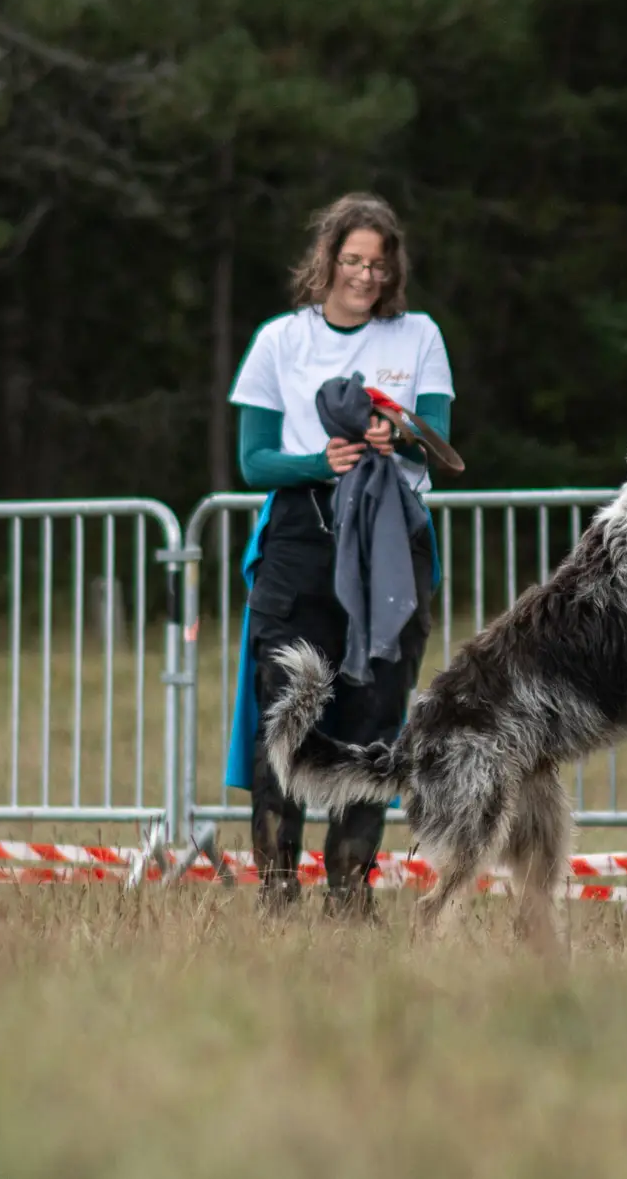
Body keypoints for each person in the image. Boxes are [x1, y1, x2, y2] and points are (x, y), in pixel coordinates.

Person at [222, 192, 454, 915]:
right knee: (286, 713)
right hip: (300, 541)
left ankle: (351, 888)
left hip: (391, 542)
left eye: (378, 265)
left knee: (376, 716)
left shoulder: (417, 335)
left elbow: (439, 439)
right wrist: (322, 462)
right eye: (352, 260)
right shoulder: (279, 341)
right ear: (325, 259)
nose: (364, 276)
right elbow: (254, 462)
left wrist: (397, 435)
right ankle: (276, 886)